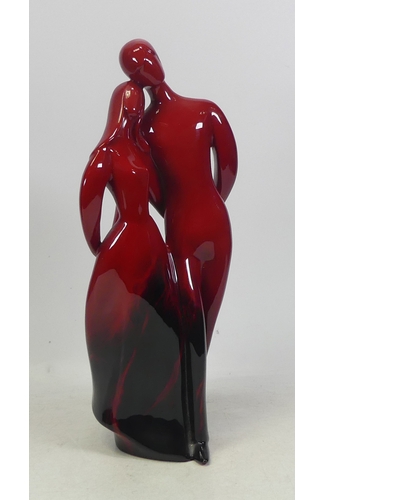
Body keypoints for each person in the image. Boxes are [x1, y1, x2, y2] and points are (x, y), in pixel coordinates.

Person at [119, 39, 238, 461]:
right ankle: (196, 435)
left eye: (149, 55)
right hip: (183, 236)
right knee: (192, 334)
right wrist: (186, 209)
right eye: (137, 66)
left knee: (203, 326)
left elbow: (228, 168)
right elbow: (152, 191)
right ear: (133, 78)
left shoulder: (205, 110)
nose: (148, 65)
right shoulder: (145, 132)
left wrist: (202, 205)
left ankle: (189, 418)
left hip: (214, 230)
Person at [80, 81, 206, 462]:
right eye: (130, 105)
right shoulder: (105, 154)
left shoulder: (140, 150)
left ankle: (166, 417)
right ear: (118, 109)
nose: (136, 111)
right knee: (123, 328)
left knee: (162, 327)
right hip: (124, 246)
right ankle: (124, 413)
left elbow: (160, 196)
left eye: (139, 105)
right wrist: (102, 247)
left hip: (150, 240)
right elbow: (89, 201)